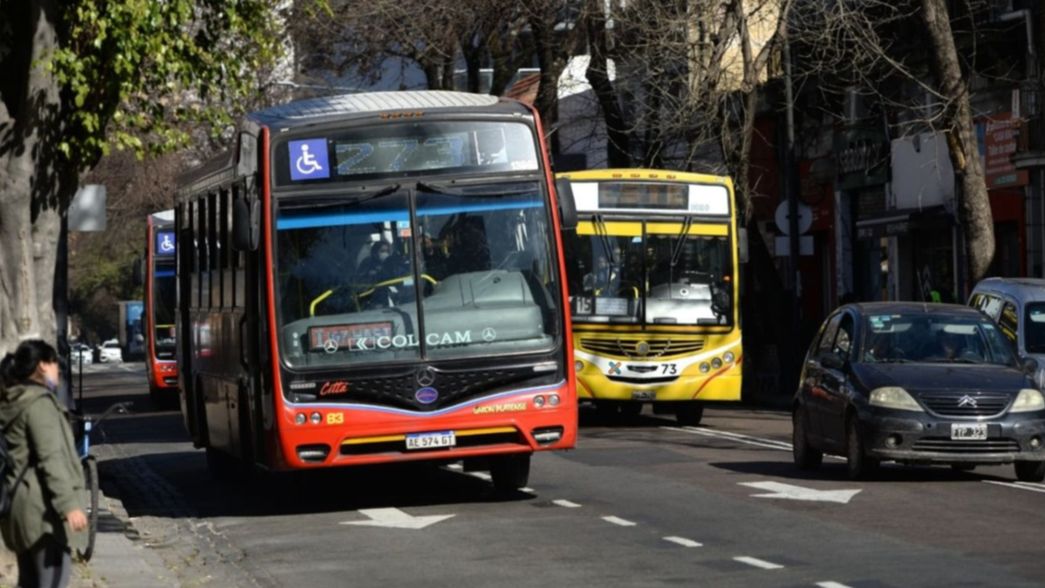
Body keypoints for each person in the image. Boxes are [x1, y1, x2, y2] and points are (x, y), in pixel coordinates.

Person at [0, 340, 87, 588]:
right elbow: (51, 459)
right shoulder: (39, 405)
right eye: (54, 364)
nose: (58, 370)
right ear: (41, 366)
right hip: (43, 515)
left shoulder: (14, 400)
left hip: (20, 509)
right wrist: (69, 505)